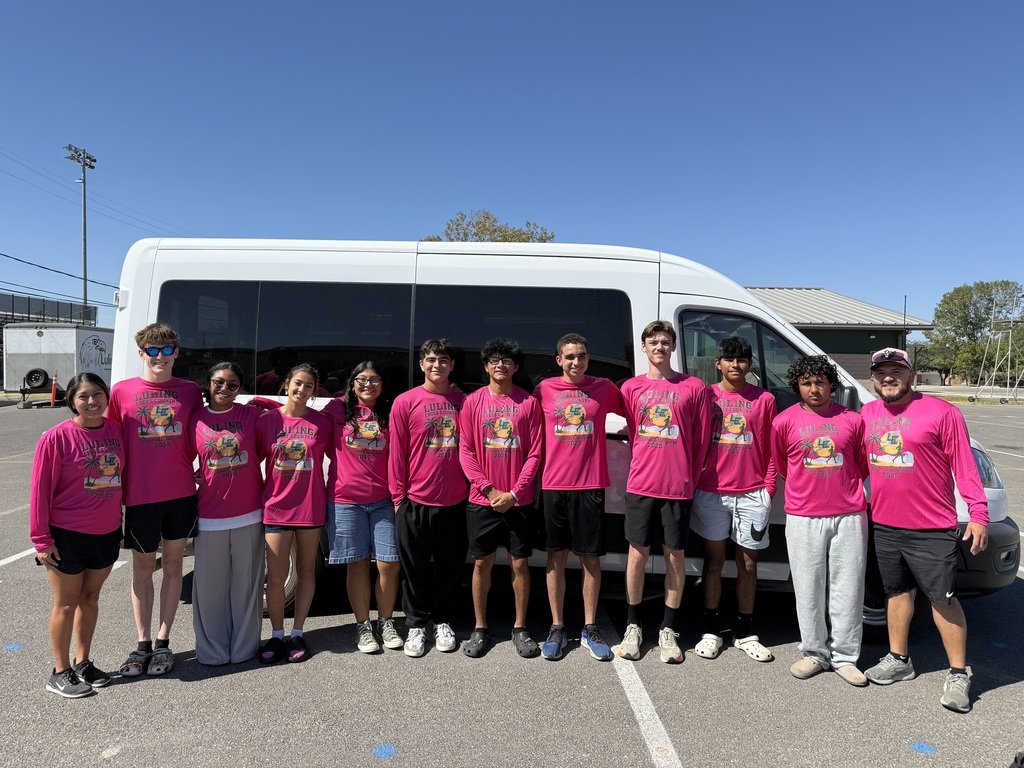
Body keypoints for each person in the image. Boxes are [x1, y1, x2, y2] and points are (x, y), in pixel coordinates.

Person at [861, 348, 989, 713]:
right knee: (897, 593)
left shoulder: (943, 412)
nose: (888, 377)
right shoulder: (868, 414)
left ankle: (959, 673)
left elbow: (965, 466)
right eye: (881, 371)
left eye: (896, 370)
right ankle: (899, 660)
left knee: (942, 598)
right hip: (885, 523)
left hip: (931, 527)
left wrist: (978, 513)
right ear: (873, 378)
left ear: (911, 375)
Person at [107, 322, 203, 676]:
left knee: (175, 567)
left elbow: (204, 432)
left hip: (179, 494)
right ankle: (141, 643)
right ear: (141, 353)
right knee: (143, 569)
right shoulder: (122, 392)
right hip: (140, 496)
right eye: (152, 351)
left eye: (166, 351)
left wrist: (204, 467)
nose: (159, 357)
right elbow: (110, 440)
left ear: (176, 353)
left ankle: (163, 642)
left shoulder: (191, 392)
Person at [771, 355, 869, 686]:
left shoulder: (853, 420)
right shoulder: (783, 422)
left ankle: (844, 657)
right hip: (802, 514)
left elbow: (861, 463)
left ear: (831, 384)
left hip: (849, 513)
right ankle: (814, 652)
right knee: (808, 587)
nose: (814, 389)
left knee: (848, 586)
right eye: (806, 383)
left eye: (820, 382)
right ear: (797, 386)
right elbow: (783, 464)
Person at [617, 321, 713, 663]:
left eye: (665, 341)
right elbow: (633, 431)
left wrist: (689, 476)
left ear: (674, 347)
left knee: (675, 556)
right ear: (643, 347)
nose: (659, 346)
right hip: (641, 483)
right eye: (653, 341)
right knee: (636, 555)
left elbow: (702, 440)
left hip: (677, 486)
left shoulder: (694, 387)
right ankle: (633, 626)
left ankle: (668, 630)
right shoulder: (630, 388)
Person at [31, 373, 125, 697]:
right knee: (66, 604)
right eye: (84, 396)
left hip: (107, 532)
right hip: (67, 534)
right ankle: (59, 671)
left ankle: (83, 662)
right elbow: (40, 491)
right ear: (72, 400)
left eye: (98, 394)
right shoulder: (56, 438)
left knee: (90, 598)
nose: (92, 401)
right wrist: (42, 541)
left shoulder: (116, 431)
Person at [534, 332, 624, 661]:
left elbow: (638, 412)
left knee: (590, 559)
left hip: (590, 485)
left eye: (582, 356)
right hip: (554, 485)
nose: (576, 362)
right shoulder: (543, 389)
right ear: (559, 360)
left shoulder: (604, 388)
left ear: (589, 358)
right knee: (555, 558)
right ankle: (557, 627)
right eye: (570, 356)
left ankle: (589, 627)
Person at [691, 336, 777, 663]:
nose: (736, 365)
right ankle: (711, 629)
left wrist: (768, 489)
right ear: (718, 363)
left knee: (749, 564)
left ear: (750, 364)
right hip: (711, 492)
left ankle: (745, 631)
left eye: (742, 360)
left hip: (752, 493)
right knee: (713, 562)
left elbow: (771, 448)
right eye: (729, 359)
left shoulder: (764, 399)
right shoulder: (706, 396)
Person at [458, 339, 543, 658]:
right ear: (485, 366)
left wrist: (515, 492)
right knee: (482, 563)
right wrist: (490, 490)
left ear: (516, 367)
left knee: (520, 565)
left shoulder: (528, 404)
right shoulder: (472, 402)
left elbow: (535, 453)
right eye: (494, 360)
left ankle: (520, 628)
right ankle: (480, 628)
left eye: (507, 360)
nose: (501, 365)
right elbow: (465, 451)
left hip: (518, 502)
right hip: (483, 501)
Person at [389, 339, 469, 657]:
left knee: (450, 568)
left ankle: (443, 621)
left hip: (454, 501)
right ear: (422, 364)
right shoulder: (405, 402)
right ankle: (416, 626)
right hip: (415, 500)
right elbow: (397, 453)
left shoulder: (466, 402)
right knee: (415, 568)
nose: (437, 365)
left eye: (444, 360)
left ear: (452, 365)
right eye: (431, 359)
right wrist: (398, 498)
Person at [190, 362, 269, 665]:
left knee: (247, 589)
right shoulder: (195, 419)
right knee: (209, 590)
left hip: (249, 513)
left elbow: (269, 431)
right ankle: (211, 650)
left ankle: (244, 648)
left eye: (233, 385)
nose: (224, 389)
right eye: (219, 383)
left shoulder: (250, 416)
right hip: (210, 516)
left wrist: (253, 400)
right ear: (208, 385)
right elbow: (181, 457)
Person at [322, 362, 403, 654]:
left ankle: (386, 621)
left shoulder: (390, 413)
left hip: (383, 499)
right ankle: (363, 625)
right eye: (362, 379)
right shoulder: (335, 410)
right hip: (346, 500)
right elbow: (300, 416)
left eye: (375, 379)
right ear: (352, 382)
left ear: (382, 384)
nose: (368, 385)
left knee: (389, 563)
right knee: (357, 564)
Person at [256, 363, 333, 663]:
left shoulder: (322, 424)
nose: (302, 390)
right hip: (276, 507)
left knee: (306, 572)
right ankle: (276, 635)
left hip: (311, 509)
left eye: (309, 386)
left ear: (315, 392)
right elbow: (249, 459)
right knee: (276, 578)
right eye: (298, 383)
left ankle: (298, 632)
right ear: (287, 383)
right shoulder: (267, 421)